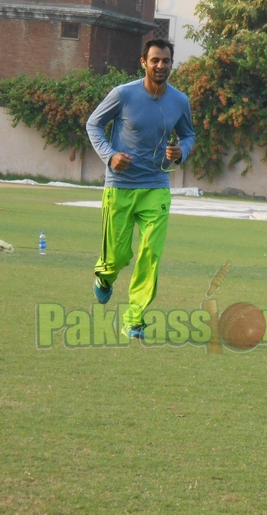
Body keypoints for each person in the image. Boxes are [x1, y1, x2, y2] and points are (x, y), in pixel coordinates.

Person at [86, 39, 196, 340]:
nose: (161, 66)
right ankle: (106, 277)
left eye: (166, 61)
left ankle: (134, 319)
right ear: (143, 62)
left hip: (157, 188)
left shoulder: (179, 101)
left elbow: (188, 135)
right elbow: (93, 124)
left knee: (151, 254)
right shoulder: (122, 94)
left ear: (172, 64)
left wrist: (181, 151)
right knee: (117, 257)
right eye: (155, 60)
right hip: (120, 187)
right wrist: (110, 156)